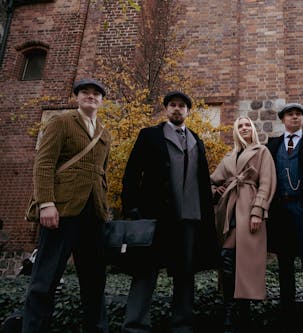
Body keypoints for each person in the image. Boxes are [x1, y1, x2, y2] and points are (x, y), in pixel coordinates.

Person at [121, 91, 219, 333]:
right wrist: (132, 208)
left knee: (185, 274)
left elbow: (202, 182)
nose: (177, 109)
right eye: (172, 105)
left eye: (182, 106)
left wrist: (207, 216)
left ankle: (182, 325)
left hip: (189, 218)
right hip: (155, 216)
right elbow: (132, 173)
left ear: (188, 111)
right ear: (166, 109)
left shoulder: (197, 139)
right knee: (146, 272)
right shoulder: (149, 136)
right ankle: (135, 326)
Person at [22, 78, 111, 332]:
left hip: (93, 214)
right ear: (77, 97)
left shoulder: (105, 134)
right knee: (45, 279)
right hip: (61, 211)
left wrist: (104, 211)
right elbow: (44, 163)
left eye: (96, 93)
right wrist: (46, 203)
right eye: (86, 92)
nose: (91, 97)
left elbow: (102, 174)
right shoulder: (61, 122)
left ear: (102, 100)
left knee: (95, 281)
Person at [210, 116, 277, 333]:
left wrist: (258, 210)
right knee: (227, 259)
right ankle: (230, 310)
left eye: (248, 124)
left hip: (249, 209)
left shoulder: (261, 151)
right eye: (240, 126)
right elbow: (211, 180)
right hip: (229, 210)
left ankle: (244, 314)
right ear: (235, 131)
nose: (245, 128)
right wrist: (215, 191)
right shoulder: (229, 156)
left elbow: (266, 182)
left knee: (246, 264)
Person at [266, 103, 303, 333]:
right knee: (285, 269)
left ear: (302, 119)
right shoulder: (272, 145)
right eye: (290, 114)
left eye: (298, 114)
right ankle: (288, 322)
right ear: (283, 119)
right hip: (281, 213)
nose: (295, 117)